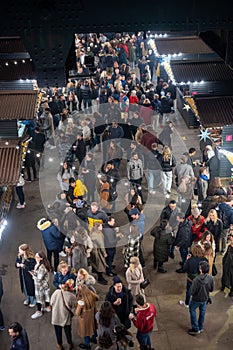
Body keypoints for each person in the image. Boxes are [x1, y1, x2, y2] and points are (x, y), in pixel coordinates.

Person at [188, 261, 214, 335]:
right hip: (205, 298)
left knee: (192, 309)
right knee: (202, 311)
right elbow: (212, 289)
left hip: (196, 299)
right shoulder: (211, 278)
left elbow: (192, 291)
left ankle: (195, 328)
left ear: (200, 269)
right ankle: (200, 327)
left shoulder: (196, 280)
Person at [50, 279, 76, 350]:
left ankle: (59, 345)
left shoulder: (56, 292)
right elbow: (74, 308)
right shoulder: (72, 296)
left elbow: (51, 302)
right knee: (68, 332)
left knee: (58, 332)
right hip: (66, 317)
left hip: (56, 316)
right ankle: (70, 343)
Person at [179, 244, 208, 308]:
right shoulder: (204, 259)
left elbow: (184, 269)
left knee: (189, 290)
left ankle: (187, 303)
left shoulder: (190, 260)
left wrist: (187, 260)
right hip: (201, 278)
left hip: (191, 279)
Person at [75, 283, 99, 349]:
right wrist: (90, 292)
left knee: (86, 332)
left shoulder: (81, 302)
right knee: (93, 328)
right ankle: (94, 339)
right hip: (92, 316)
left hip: (84, 320)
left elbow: (77, 313)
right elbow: (97, 297)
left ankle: (87, 344)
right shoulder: (91, 296)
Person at [30, 251, 51, 319]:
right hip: (45, 285)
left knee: (39, 298)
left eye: (37, 257)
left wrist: (33, 275)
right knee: (46, 296)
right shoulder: (42, 264)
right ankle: (48, 307)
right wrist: (35, 272)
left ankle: (39, 311)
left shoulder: (42, 267)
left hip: (40, 286)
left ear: (41, 258)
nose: (35, 258)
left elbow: (39, 279)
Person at [221, 232, 233, 296]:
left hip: (231, 267)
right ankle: (224, 286)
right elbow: (226, 255)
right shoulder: (229, 246)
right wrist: (223, 261)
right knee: (225, 277)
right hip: (226, 265)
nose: (231, 240)